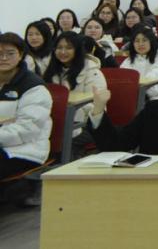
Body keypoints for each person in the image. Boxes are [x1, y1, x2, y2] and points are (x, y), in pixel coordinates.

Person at [0, 32, 53, 179]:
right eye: (0, 54)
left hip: (24, 150)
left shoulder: (33, 87)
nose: (4, 58)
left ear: (21, 55)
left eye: (10, 53)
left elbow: (27, 130)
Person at [44, 32, 108, 127]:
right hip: (53, 120)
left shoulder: (92, 71)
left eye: (69, 48)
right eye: (59, 48)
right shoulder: (51, 69)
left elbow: (95, 105)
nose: (63, 52)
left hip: (83, 124)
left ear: (77, 50)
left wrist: (68, 106)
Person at [123, 27, 158, 101]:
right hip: (134, 99)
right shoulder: (128, 61)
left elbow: (150, 82)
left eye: (144, 40)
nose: (140, 44)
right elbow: (124, 82)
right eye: (137, 41)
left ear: (151, 41)